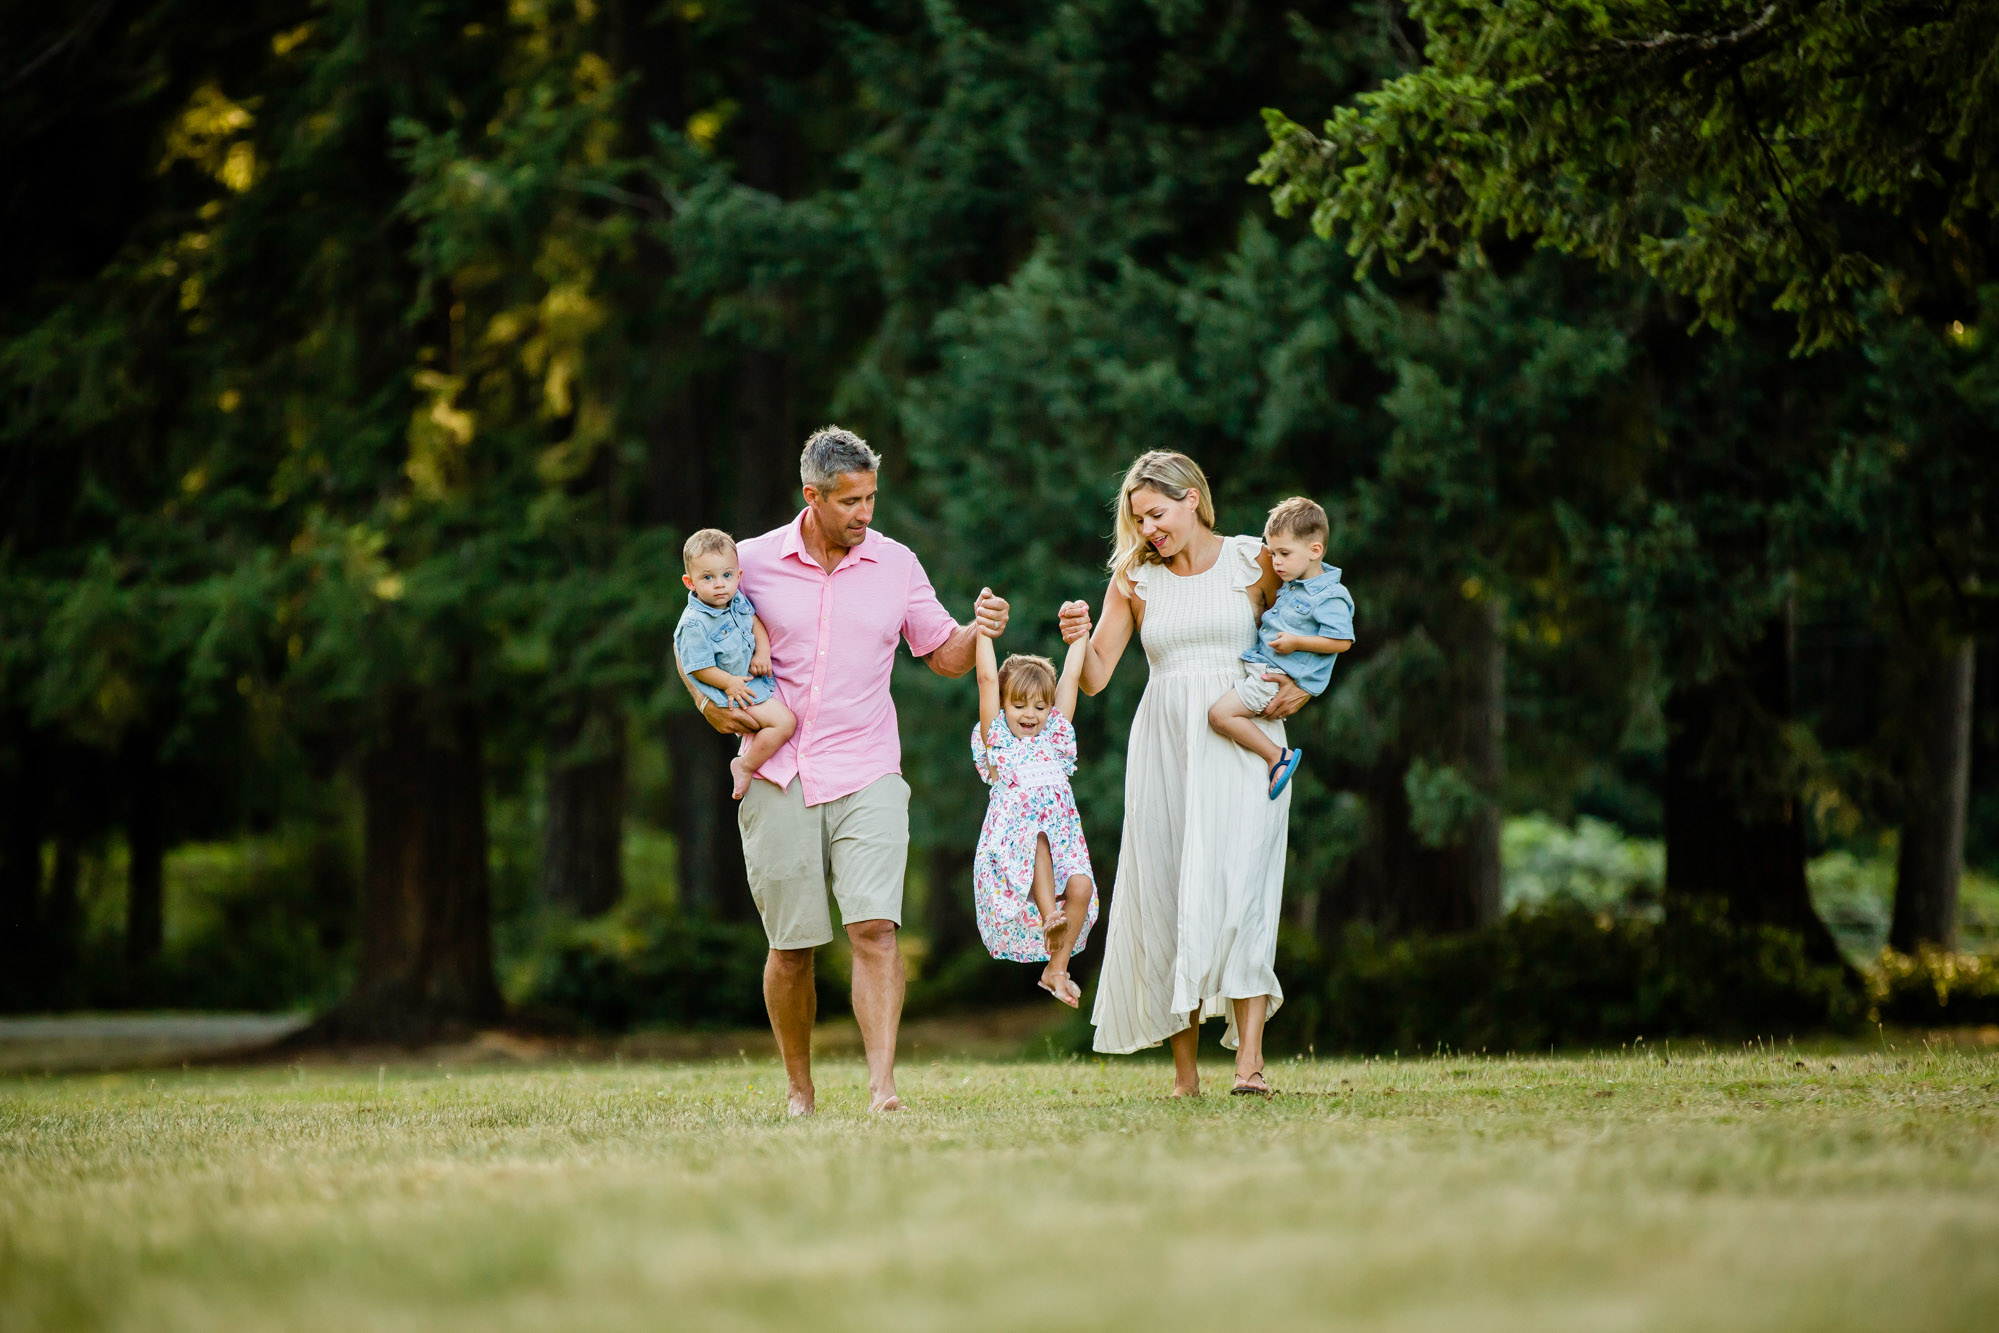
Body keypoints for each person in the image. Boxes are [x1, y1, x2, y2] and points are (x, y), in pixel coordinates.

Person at [676, 425, 1007, 1116]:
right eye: (850, 500)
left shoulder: (897, 564)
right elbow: (693, 635)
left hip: (867, 766)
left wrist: (978, 629)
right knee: (792, 946)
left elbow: (942, 653)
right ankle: (800, 1089)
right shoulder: (752, 561)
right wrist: (709, 707)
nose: (864, 512)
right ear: (813, 496)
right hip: (780, 772)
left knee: (875, 929)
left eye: (871, 497)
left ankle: (882, 1085)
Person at [1060, 451, 1308, 1098]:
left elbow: (1314, 622)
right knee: (1173, 892)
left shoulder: (1253, 559)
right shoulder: (1134, 580)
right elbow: (1093, 678)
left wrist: (1302, 691)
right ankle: (1185, 1077)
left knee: (1245, 890)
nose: (1148, 529)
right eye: (1138, 519)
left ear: (1192, 497)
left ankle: (1249, 1065)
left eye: (1157, 513)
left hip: (1248, 740)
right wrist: (1076, 637)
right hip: (1167, 744)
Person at [970, 624, 1099, 1008]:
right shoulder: (999, 743)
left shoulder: (1055, 741)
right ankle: (1048, 915)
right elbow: (986, 677)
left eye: (1040, 706)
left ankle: (1056, 970)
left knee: (1082, 887)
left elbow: (1072, 678)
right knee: (1038, 837)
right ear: (1004, 706)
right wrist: (983, 631)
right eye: (1019, 704)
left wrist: (1080, 636)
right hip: (1015, 848)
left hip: (1064, 843)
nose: (1030, 714)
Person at [1205, 496, 1355, 799]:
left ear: (1315, 550)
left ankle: (1277, 756)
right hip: (1266, 667)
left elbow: (1342, 640)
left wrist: (1296, 642)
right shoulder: (1293, 583)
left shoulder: (1330, 596)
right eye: (1272, 553)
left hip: (1276, 676)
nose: (1276, 563)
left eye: (1284, 554)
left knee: (1219, 716)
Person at [673, 528, 798, 800]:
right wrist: (728, 683)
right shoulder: (694, 624)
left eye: (727, 576)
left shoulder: (735, 599)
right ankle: (745, 765)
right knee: (785, 723)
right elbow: (697, 666)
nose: (720, 584)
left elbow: (754, 622)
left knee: (778, 722)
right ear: (689, 582)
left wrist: (762, 653)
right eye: (708, 577)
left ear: (738, 576)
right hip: (732, 690)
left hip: (751, 683)